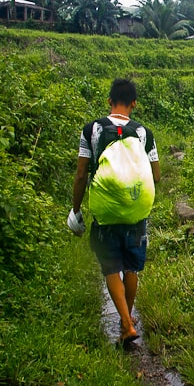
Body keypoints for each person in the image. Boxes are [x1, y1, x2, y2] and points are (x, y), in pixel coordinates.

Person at [70, 78, 161, 347]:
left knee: (111, 267)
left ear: (109, 101)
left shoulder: (92, 130)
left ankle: (127, 323)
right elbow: (155, 174)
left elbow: (80, 174)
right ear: (134, 103)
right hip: (136, 208)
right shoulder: (144, 133)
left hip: (105, 210)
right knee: (131, 267)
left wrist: (76, 209)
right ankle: (127, 322)